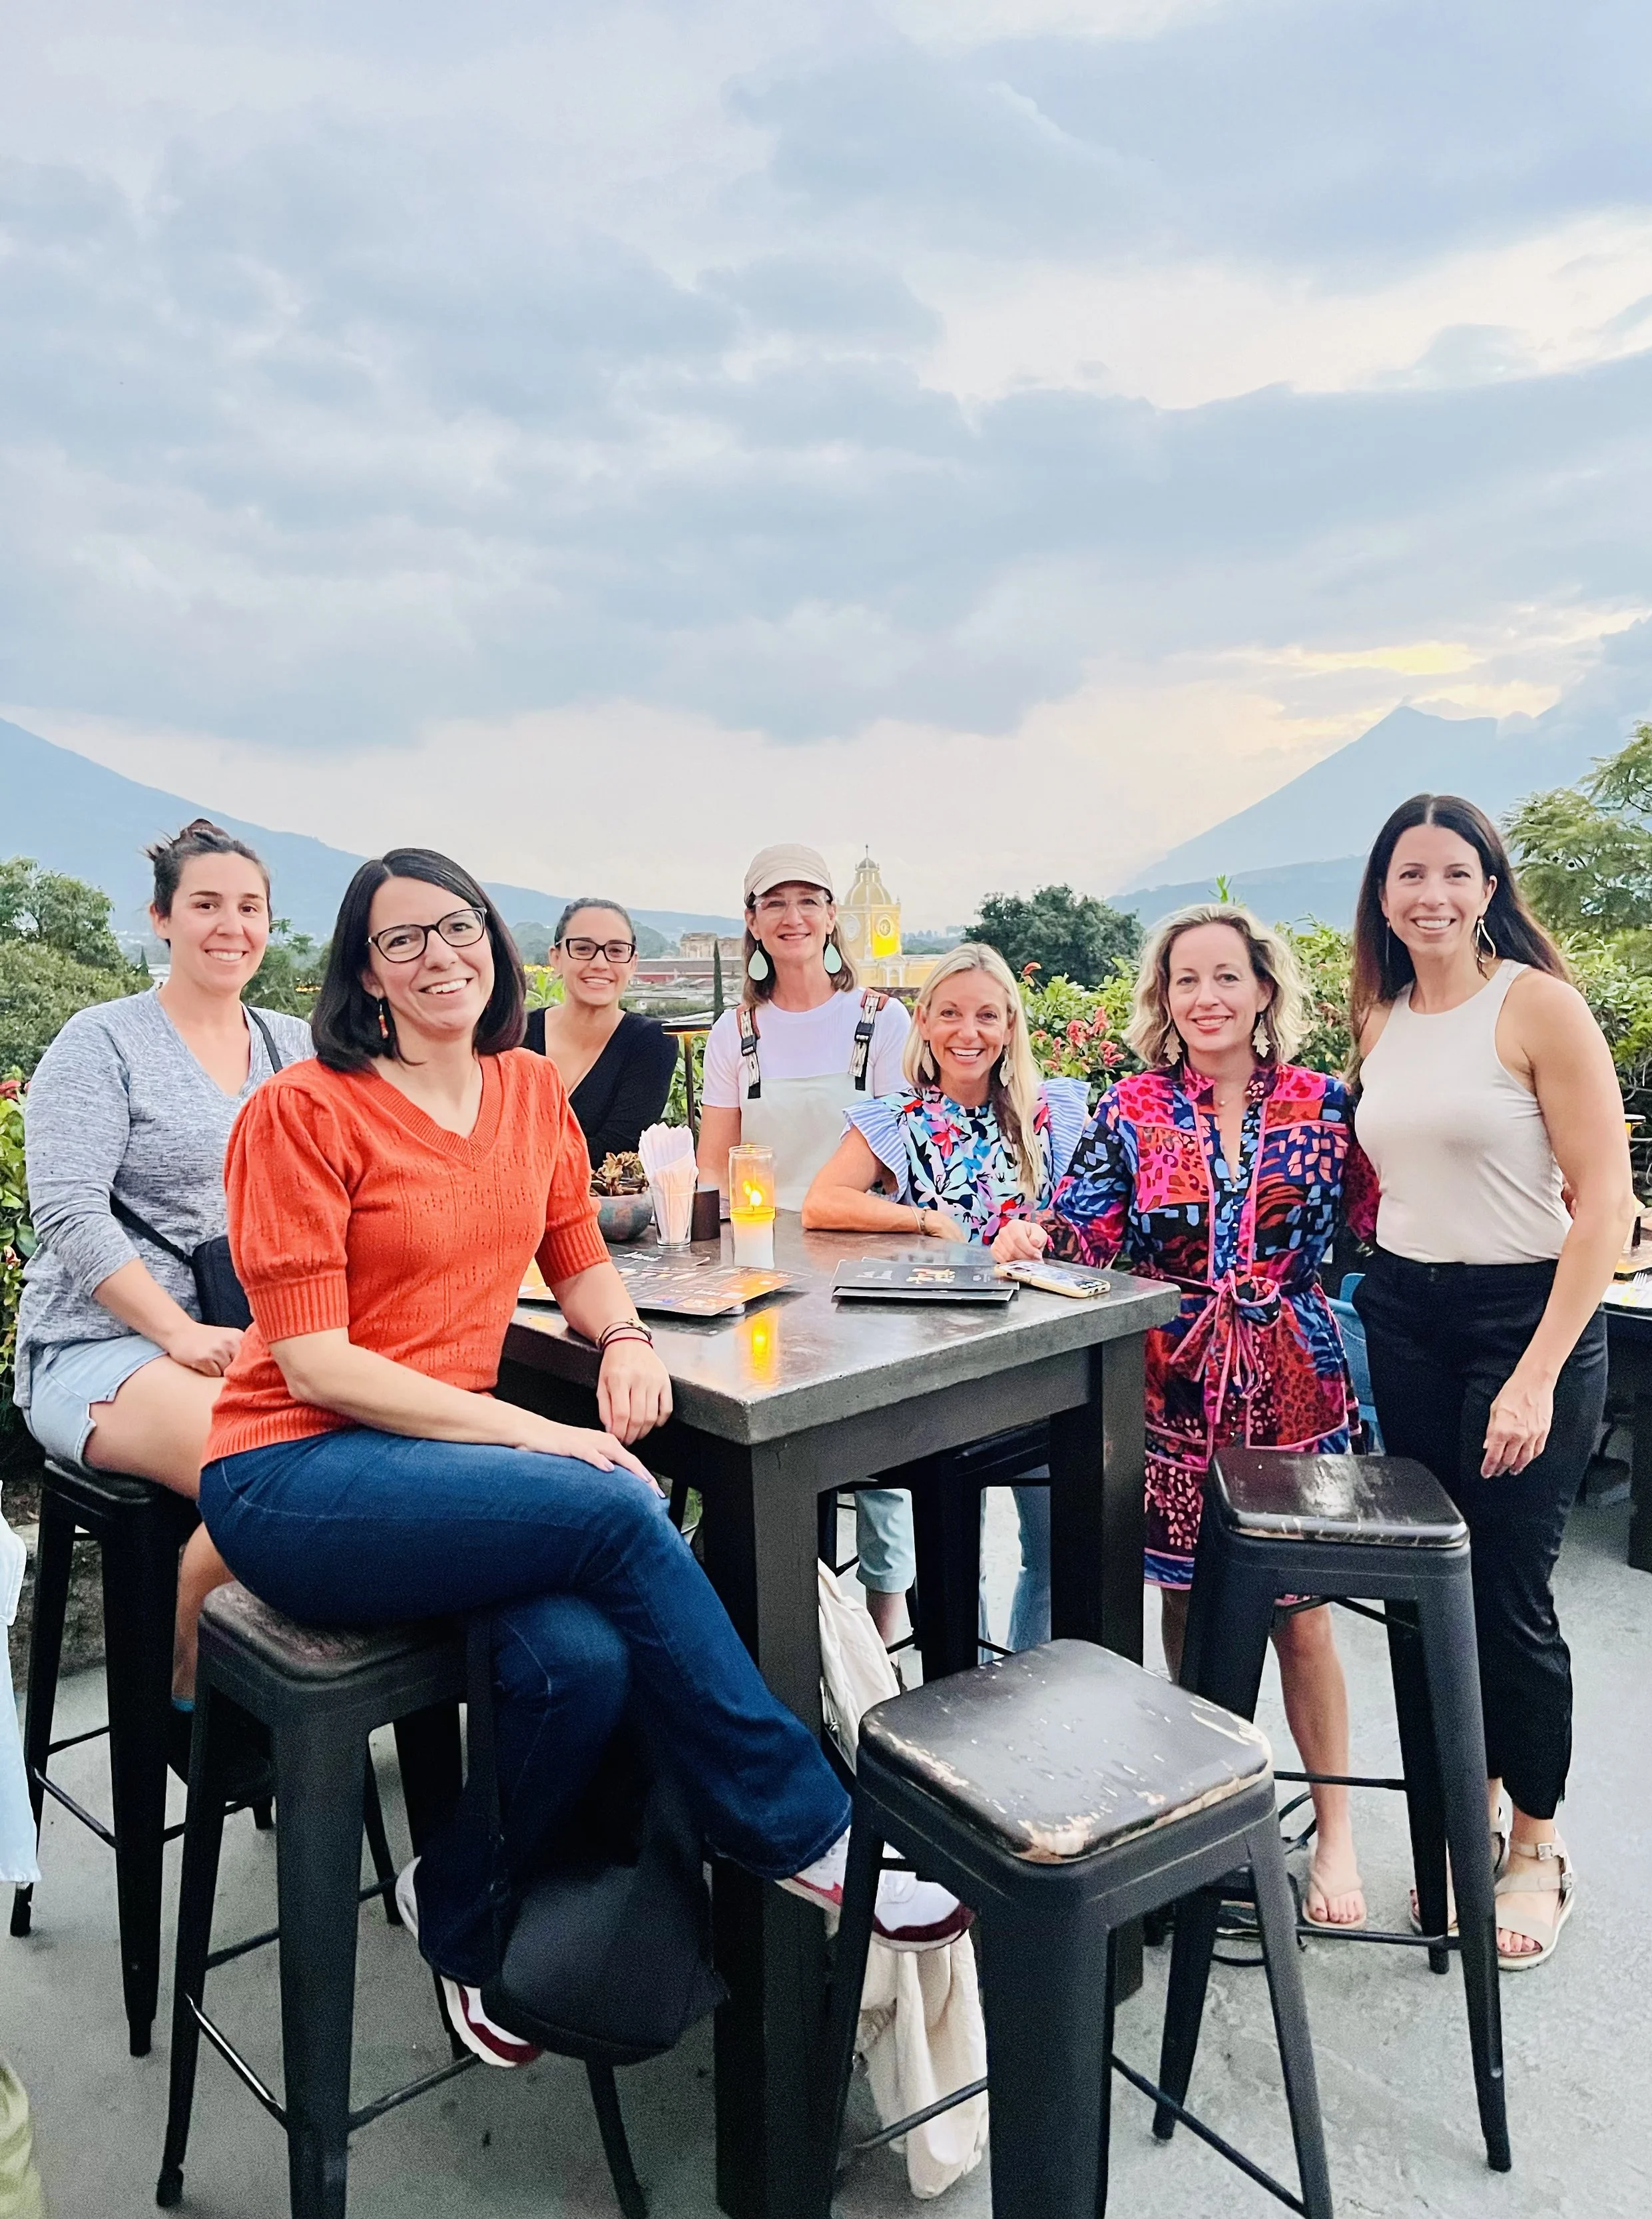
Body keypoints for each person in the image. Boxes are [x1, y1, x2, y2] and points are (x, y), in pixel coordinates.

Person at [197, 847, 967, 2067]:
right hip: (296, 1475)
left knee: (583, 1661)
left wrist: (620, 1335)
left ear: (498, 948)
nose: (438, 955)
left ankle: (455, 1911)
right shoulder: (303, 1109)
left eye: (458, 928)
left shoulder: (525, 1095)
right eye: (401, 940)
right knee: (610, 1502)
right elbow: (315, 1364)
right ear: (363, 973)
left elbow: (574, 1251)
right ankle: (807, 1826)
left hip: (435, 1477)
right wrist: (537, 1428)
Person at [993, 903, 1376, 1927]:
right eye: (1185, 981)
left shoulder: (1324, 1104)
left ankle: (1334, 1833)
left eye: (1225, 977)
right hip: (1170, 1383)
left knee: (1300, 1614)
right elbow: (1088, 1223)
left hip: (1293, 1381)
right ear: (1164, 1000)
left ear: (1262, 989)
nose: (1206, 997)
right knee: (1183, 1601)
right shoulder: (1132, 1107)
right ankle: (1209, 1814)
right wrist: (1029, 1229)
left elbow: (1389, 1214)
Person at [1349, 794, 1631, 1969]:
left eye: (1454, 872)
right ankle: (1454, 1812)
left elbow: (1604, 1204)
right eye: (1409, 873)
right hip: (1405, 1312)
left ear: (1488, 885)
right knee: (1424, 1594)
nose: (1431, 894)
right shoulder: (1384, 1013)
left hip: (1527, 1319)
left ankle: (1536, 1841)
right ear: (1382, 893)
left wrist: (1533, 1377)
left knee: (1508, 1594)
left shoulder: (1539, 1007)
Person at [15, 820, 310, 1726]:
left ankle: (293, 1691)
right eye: (206, 905)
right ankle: (196, 1688)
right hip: (100, 1345)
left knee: (377, 1451)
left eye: (249, 907)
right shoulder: (101, 1040)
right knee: (267, 1465)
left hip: (251, 1336)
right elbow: (66, 1210)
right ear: (162, 920)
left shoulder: (291, 1043)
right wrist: (176, 1332)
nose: (231, 926)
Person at [803, 943, 1089, 1648]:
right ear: (924, 1024)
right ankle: (968, 1693)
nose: (970, 1033)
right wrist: (925, 1218)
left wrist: (1040, 1234)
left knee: (1054, 1548)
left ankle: (1032, 1684)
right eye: (952, 1014)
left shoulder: (1051, 1114)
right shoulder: (895, 1119)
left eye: (987, 1015)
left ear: (1011, 1026)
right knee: (949, 1548)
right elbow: (822, 1201)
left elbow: (1087, 1219)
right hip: (936, 1365)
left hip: (1038, 1356)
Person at [697, 844, 915, 1641]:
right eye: (774, 903)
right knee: (776, 1436)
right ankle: (793, 1611)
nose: (793, 918)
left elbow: (898, 1148)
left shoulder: (881, 1020)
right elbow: (712, 1162)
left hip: (865, 1252)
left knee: (881, 1438)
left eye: (808, 901)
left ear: (831, 917)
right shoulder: (736, 1031)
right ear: (751, 922)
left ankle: (886, 1609)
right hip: (763, 1264)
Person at [523, 898, 676, 1166]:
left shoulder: (651, 1043)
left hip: (601, 1206)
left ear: (633, 963)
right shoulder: (514, 1035)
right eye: (583, 949)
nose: (600, 963)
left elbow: (616, 1151)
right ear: (556, 958)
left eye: (616, 951)